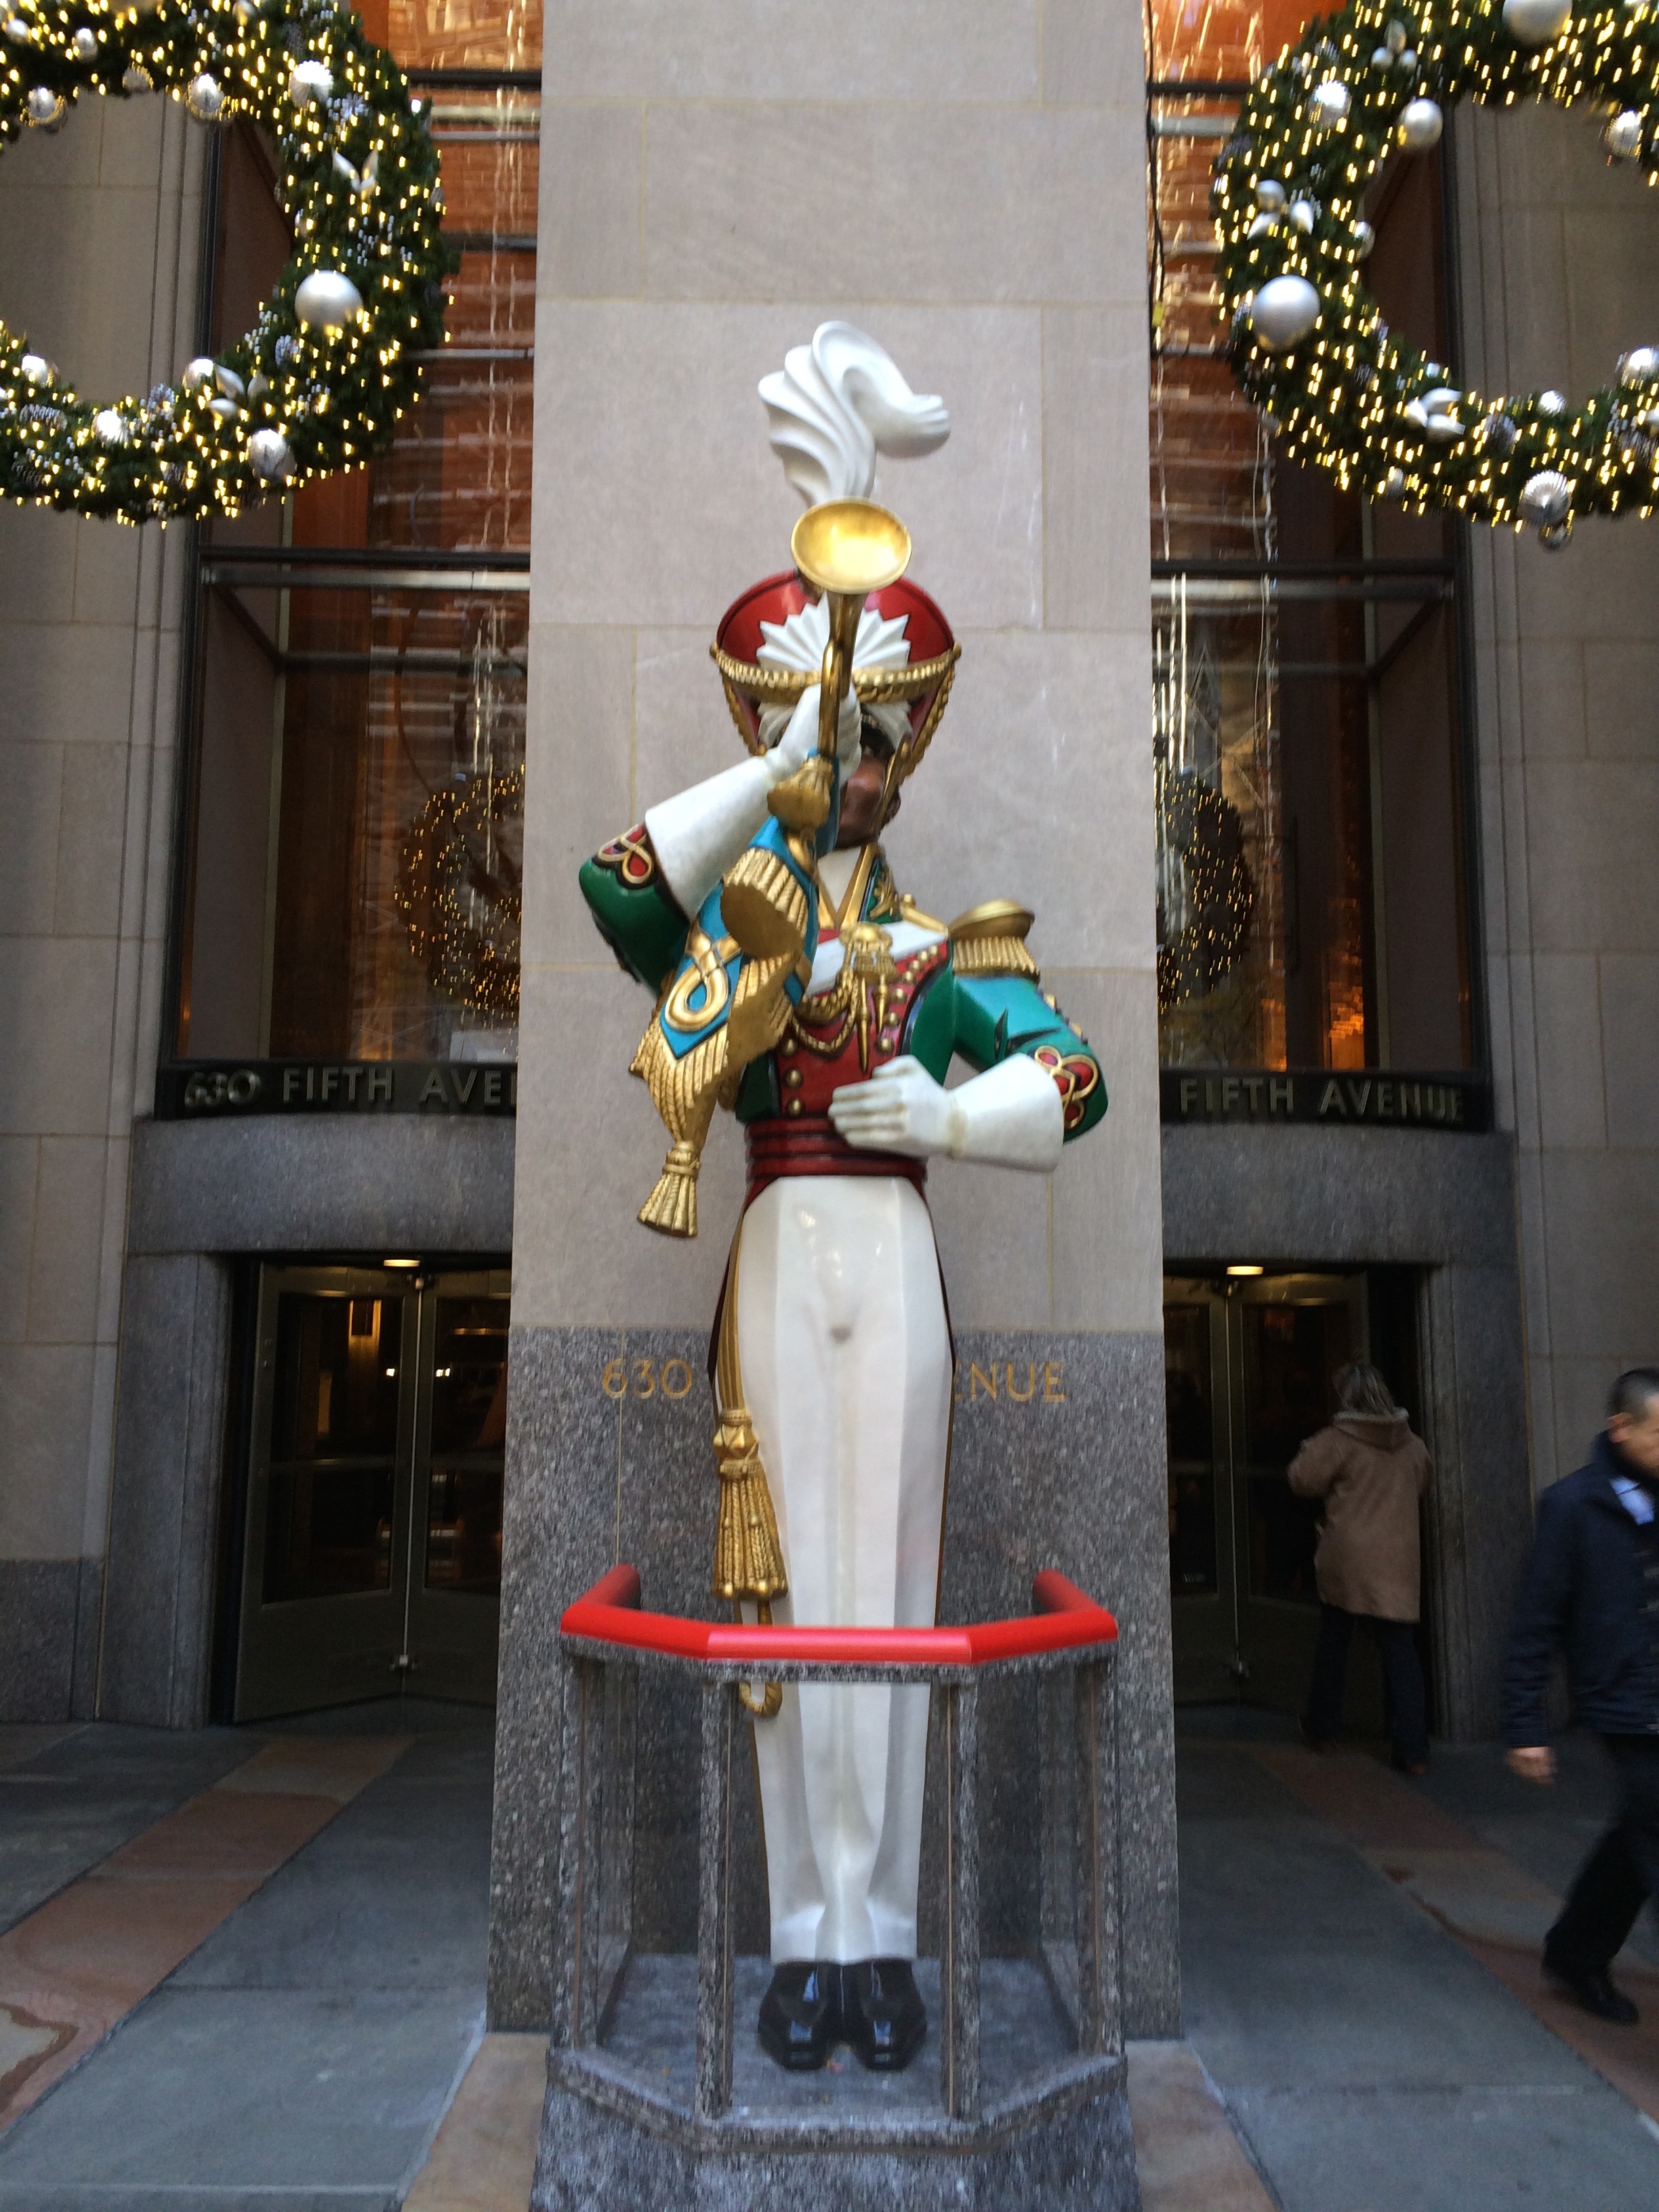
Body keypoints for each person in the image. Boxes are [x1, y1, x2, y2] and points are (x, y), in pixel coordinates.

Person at [577, 326, 1108, 2074]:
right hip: (774, 1249)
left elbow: (1075, 1082)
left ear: (908, 757)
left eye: (874, 741)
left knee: (884, 1593)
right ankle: (799, 1934)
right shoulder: (735, 926)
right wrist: (774, 760)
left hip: (889, 1251)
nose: (856, 767)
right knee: (784, 1605)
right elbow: (615, 884)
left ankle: (878, 1936)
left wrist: (950, 1117)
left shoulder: (941, 951)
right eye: (835, 740)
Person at [1502, 1367, 1659, 2025]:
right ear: (1620, 1428)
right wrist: (1524, 1725)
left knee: (1637, 1836)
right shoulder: (1572, 1506)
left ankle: (1576, 1951)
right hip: (1622, 1700)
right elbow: (1535, 1620)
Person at [1288, 1360, 1432, 1771]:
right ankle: (1413, 1750)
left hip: (1348, 1557)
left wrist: (1308, 1448)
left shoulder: (1339, 1441)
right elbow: (1422, 1484)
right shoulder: (1413, 1445)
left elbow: (1300, 1479)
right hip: (1398, 1560)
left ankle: (1322, 1728)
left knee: (1334, 1642)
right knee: (1401, 1652)